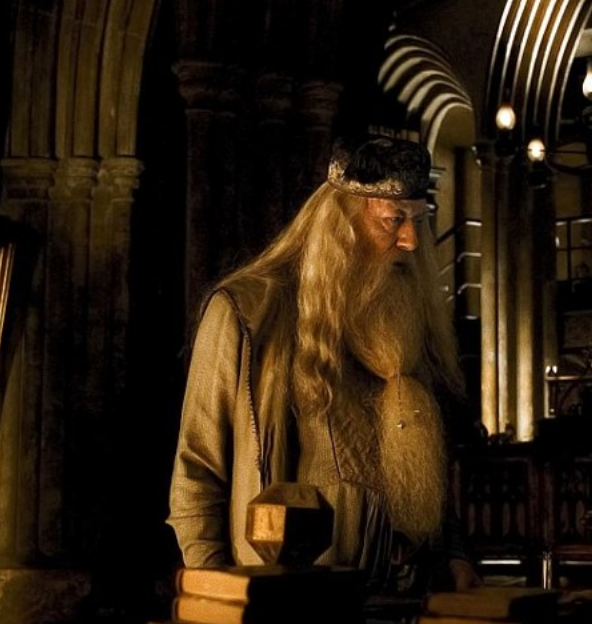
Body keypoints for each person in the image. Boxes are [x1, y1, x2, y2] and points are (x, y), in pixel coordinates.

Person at [166, 135, 480, 597]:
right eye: (394, 220)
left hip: (404, 602)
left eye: (418, 221)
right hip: (286, 605)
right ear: (342, 223)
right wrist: (220, 598)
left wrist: (453, 553)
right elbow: (197, 475)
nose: (411, 241)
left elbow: (422, 467)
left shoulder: (406, 314)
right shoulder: (247, 313)